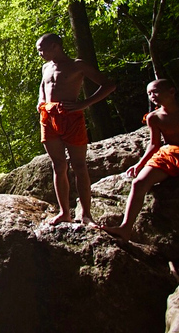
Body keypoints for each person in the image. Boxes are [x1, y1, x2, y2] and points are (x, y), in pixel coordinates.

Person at [101, 79, 179, 242]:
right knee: (138, 183)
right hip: (168, 157)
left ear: (171, 91)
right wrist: (140, 164)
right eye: (149, 93)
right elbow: (154, 144)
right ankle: (125, 228)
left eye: (155, 91)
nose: (152, 96)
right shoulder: (153, 117)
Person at [36, 33, 116, 225]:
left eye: (42, 49)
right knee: (58, 165)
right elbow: (42, 87)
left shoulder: (77, 65)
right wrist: (41, 103)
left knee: (79, 166)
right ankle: (64, 212)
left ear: (56, 46)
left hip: (72, 117)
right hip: (49, 118)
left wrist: (84, 104)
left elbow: (109, 85)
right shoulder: (45, 67)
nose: (39, 53)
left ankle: (86, 214)